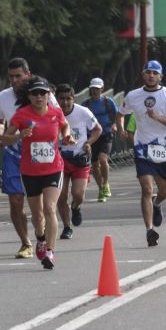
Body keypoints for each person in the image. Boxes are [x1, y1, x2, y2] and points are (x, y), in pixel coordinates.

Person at [1, 76, 72, 269]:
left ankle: (50, 251)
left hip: (53, 168)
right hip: (30, 171)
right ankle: (40, 238)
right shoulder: (21, 115)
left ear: (49, 95)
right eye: (35, 94)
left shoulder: (56, 113)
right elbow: (4, 139)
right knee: (37, 215)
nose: (39, 97)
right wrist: (19, 136)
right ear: (29, 96)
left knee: (50, 208)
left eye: (43, 93)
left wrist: (67, 137)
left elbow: (65, 126)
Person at [0, 57, 59, 259]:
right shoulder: (3, 97)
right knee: (15, 200)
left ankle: (43, 237)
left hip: (42, 155)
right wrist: (0, 134)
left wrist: (67, 136)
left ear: (28, 75)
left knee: (43, 207)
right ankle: (25, 242)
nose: (14, 81)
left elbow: (57, 117)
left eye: (18, 76)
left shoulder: (42, 93)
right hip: (15, 153)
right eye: (11, 77)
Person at [116, 60, 166, 246]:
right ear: (143, 74)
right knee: (146, 189)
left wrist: (157, 117)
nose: (151, 75)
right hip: (142, 148)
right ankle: (149, 230)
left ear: (161, 76)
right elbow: (120, 113)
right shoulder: (133, 95)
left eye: (155, 73)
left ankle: (157, 204)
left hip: (163, 148)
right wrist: (121, 129)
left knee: (164, 191)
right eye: (148, 72)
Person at [56, 84, 101, 240]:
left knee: (78, 194)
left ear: (73, 99)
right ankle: (67, 227)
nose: (65, 103)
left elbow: (97, 129)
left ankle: (75, 206)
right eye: (61, 99)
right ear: (56, 99)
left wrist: (88, 143)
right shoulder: (52, 114)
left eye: (68, 99)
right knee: (61, 196)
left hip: (79, 158)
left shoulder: (83, 112)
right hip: (59, 160)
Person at [83, 77, 118, 202]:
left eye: (97, 89)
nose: (95, 91)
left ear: (102, 89)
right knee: (95, 165)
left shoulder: (108, 102)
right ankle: (101, 189)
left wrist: (115, 125)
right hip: (91, 137)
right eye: (93, 89)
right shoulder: (86, 104)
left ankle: (106, 184)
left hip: (106, 135)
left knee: (103, 159)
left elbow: (116, 115)